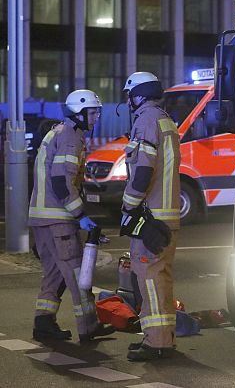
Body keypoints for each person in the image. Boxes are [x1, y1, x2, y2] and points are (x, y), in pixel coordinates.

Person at [29, 89, 115, 343]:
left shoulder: (58, 132)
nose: (97, 116)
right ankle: (89, 327)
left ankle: (43, 323)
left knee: (54, 273)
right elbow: (61, 182)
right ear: (79, 113)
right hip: (59, 219)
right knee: (78, 275)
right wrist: (80, 216)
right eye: (93, 111)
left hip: (42, 218)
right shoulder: (70, 136)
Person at [121, 72, 181, 361]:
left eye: (130, 95)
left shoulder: (145, 120)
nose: (128, 101)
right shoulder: (165, 119)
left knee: (148, 278)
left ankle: (156, 343)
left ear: (139, 95)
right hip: (167, 214)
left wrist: (129, 206)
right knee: (162, 279)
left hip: (151, 216)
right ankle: (163, 339)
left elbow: (143, 169)